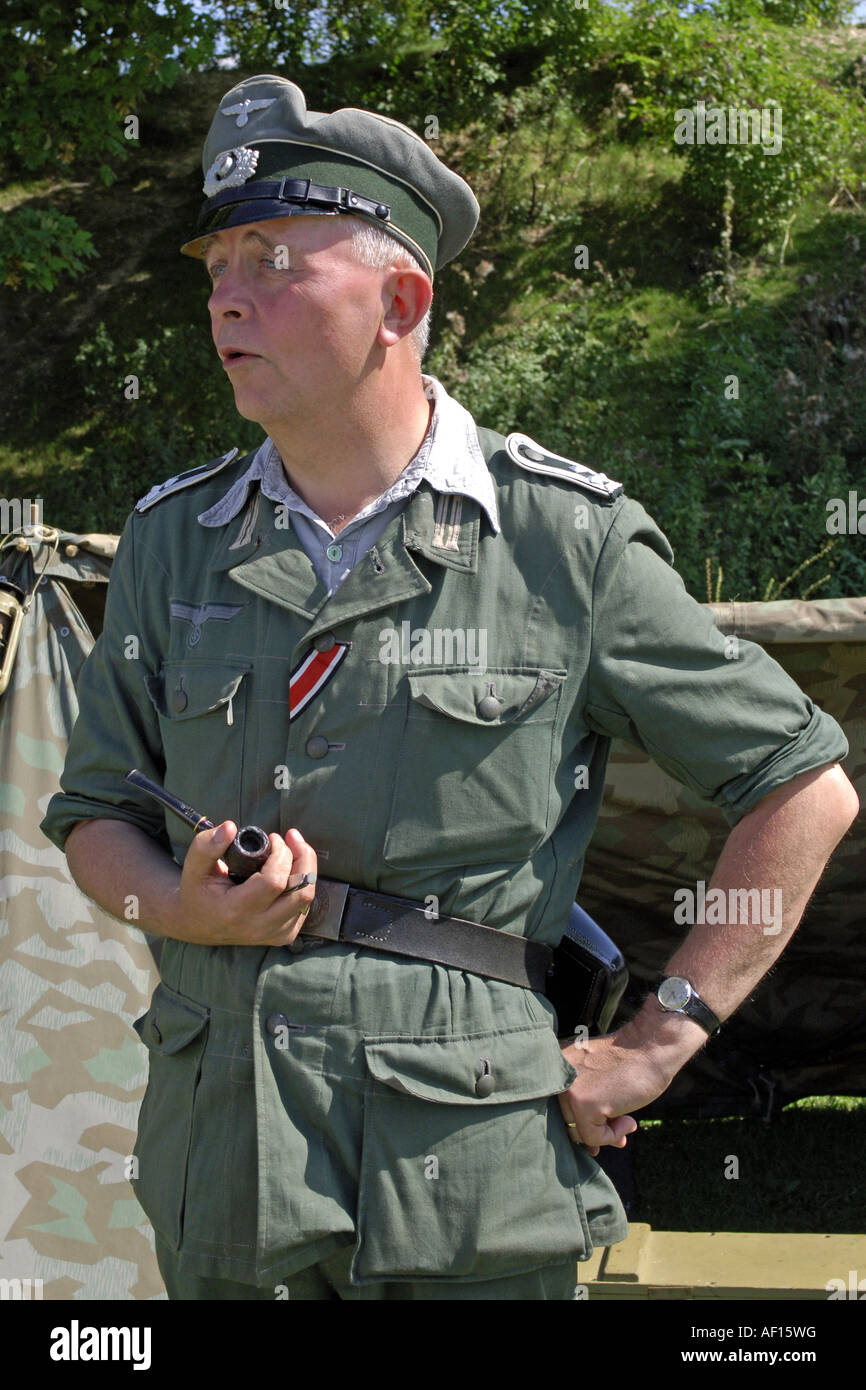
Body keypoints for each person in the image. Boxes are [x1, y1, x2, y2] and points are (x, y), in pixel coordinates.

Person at [41, 75, 859, 1302]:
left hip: (463, 1177)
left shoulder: (558, 539)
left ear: (400, 301)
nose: (226, 295)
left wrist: (657, 1042)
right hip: (223, 1163)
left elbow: (800, 786)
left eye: (274, 258)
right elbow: (96, 805)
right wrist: (173, 902)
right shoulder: (171, 540)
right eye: (217, 265)